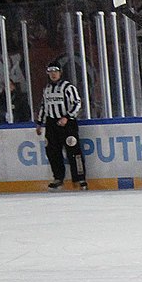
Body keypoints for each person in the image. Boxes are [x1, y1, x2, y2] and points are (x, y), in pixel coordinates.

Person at [35, 59, 87, 190]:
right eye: (50, 72)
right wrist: (39, 123)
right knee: (52, 152)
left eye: (56, 71)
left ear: (60, 72)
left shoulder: (68, 87)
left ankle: (80, 179)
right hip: (52, 124)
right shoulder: (46, 89)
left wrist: (68, 117)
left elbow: (77, 103)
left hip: (67, 123)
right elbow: (43, 106)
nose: (53, 74)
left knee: (74, 151)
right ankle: (58, 178)